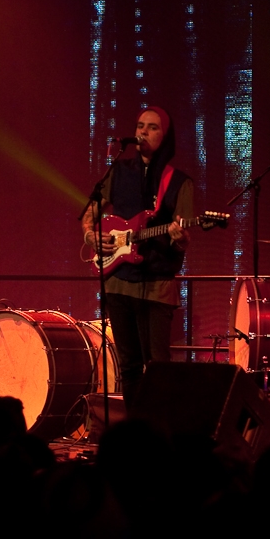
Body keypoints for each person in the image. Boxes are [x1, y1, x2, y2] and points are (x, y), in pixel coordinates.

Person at [82, 106, 193, 408]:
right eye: (140, 125)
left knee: (159, 366)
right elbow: (91, 211)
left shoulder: (179, 182)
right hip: (118, 282)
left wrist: (179, 237)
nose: (143, 131)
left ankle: (163, 434)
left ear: (165, 135)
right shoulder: (119, 171)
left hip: (157, 284)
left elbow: (182, 241)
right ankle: (135, 435)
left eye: (152, 127)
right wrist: (91, 235)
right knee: (129, 366)